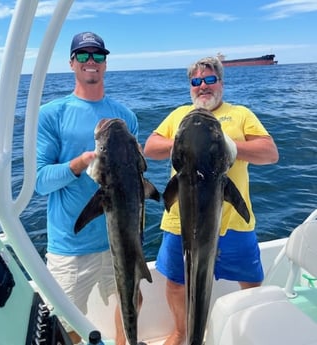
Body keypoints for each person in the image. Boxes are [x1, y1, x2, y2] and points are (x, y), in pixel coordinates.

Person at [143, 56, 279, 345]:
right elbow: (151, 148)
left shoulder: (241, 114)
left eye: (209, 80)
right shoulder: (179, 114)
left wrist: (226, 146)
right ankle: (181, 331)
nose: (202, 86)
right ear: (190, 87)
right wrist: (183, 143)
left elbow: (270, 153)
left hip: (232, 225)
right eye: (196, 82)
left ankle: (250, 332)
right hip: (180, 222)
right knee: (176, 283)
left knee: (251, 283)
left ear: (221, 83)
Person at [36, 32, 139, 345]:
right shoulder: (52, 114)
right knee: (63, 325)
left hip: (121, 239)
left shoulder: (126, 117)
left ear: (106, 63)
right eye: (83, 55)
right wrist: (77, 165)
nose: (90, 61)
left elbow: (136, 180)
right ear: (72, 63)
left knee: (131, 303)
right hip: (72, 245)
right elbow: (40, 181)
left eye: (97, 55)